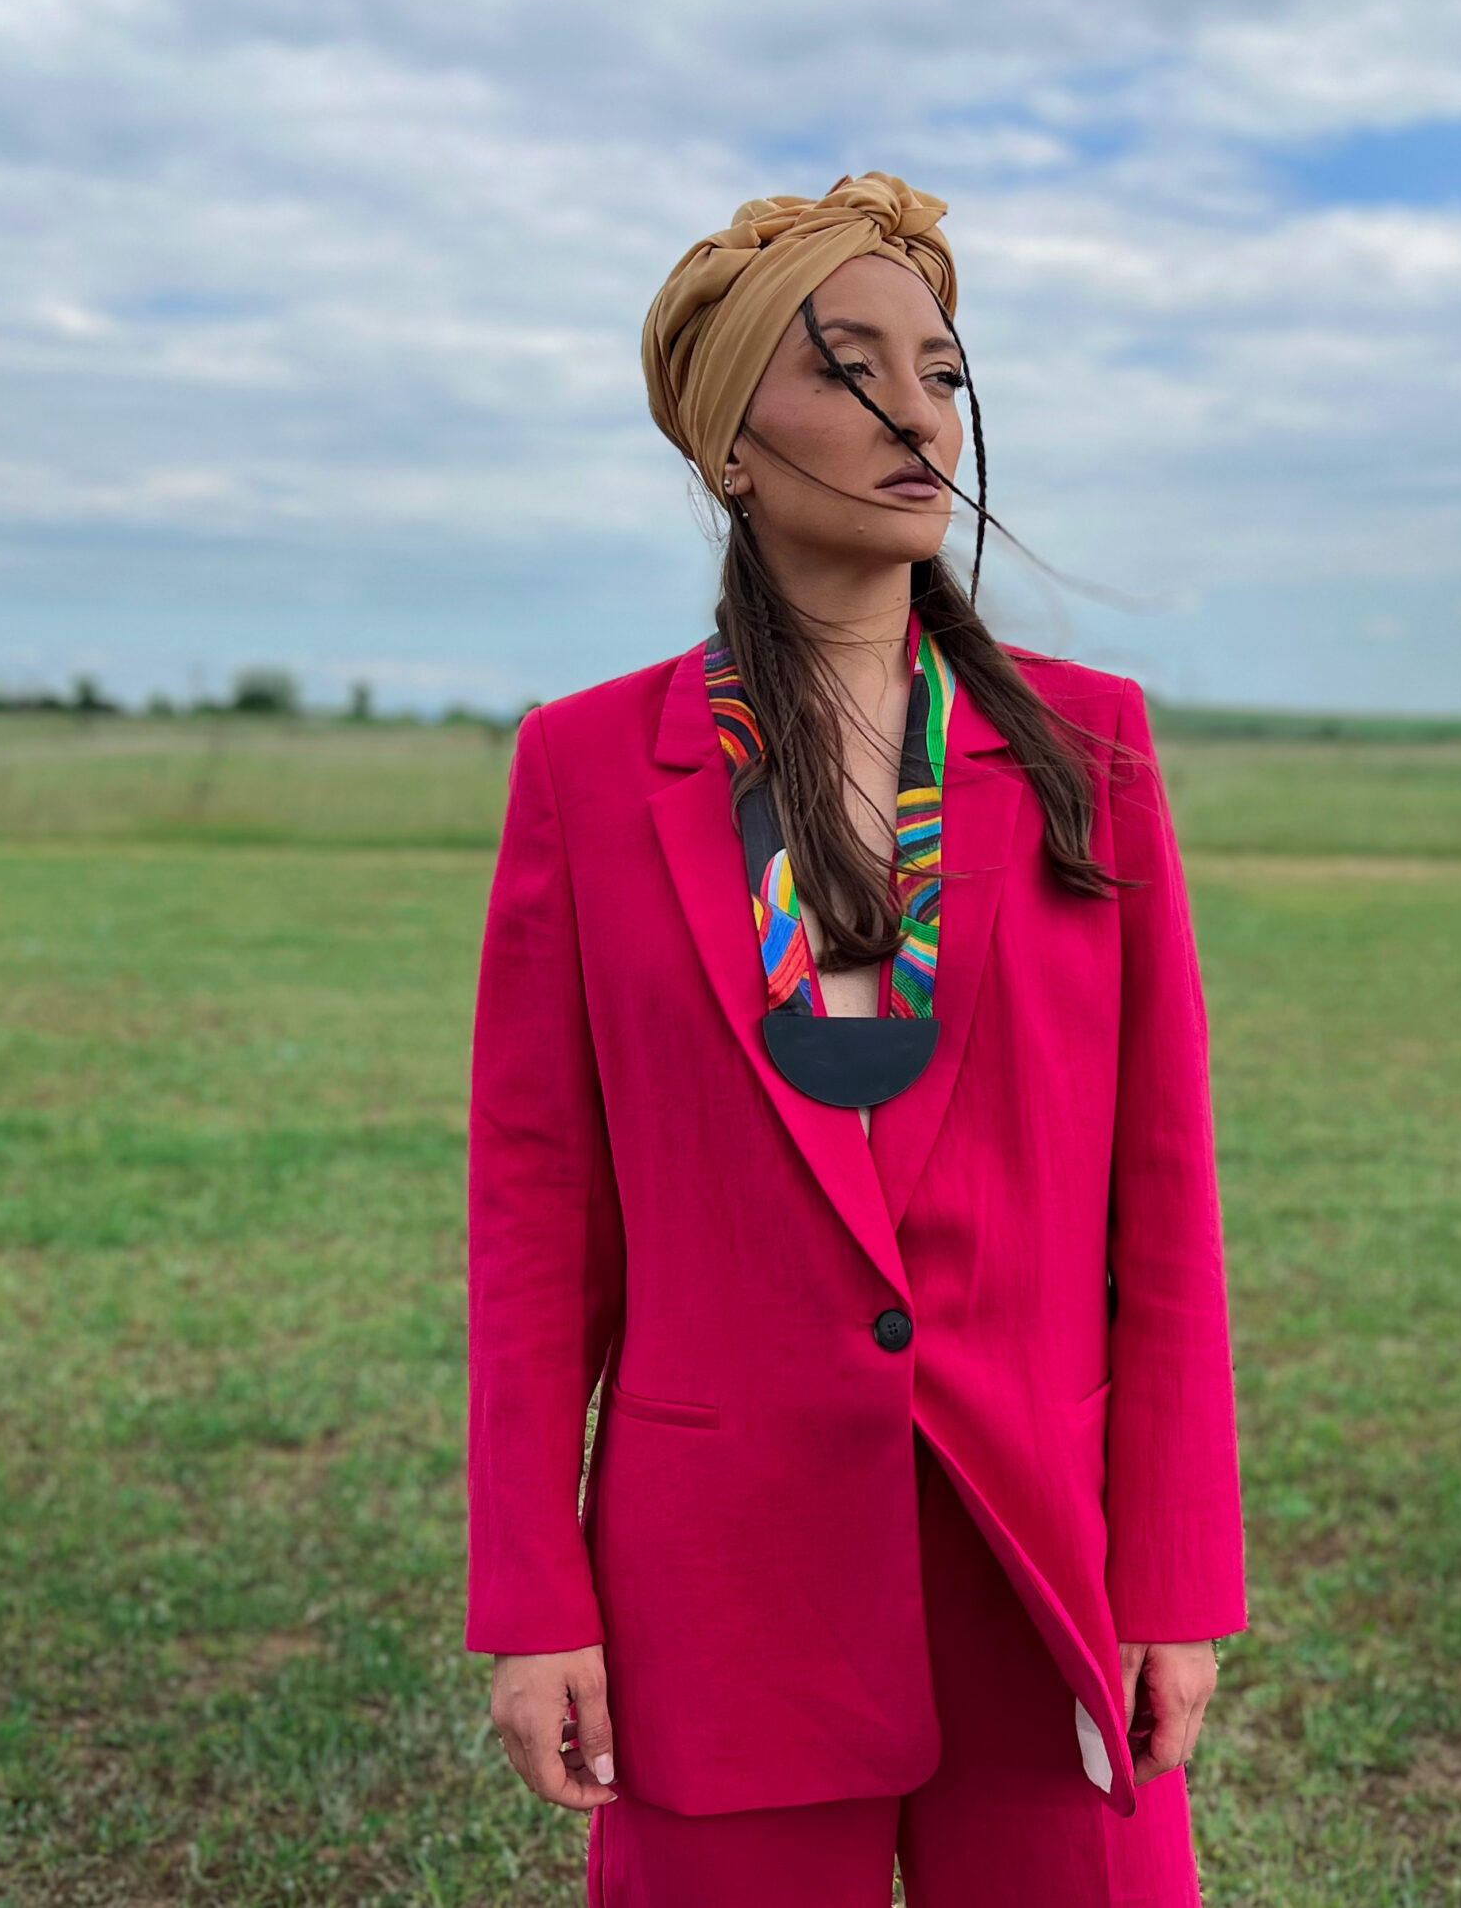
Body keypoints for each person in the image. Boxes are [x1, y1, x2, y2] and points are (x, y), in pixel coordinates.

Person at [463, 173, 1247, 1906]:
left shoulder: (1091, 753)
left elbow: (1165, 1201)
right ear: (728, 450)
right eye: (849, 368)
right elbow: (535, 1217)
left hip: (1044, 1563)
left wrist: (1177, 1576)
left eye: (943, 372)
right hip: (716, 1585)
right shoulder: (585, 770)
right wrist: (533, 1599)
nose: (919, 416)